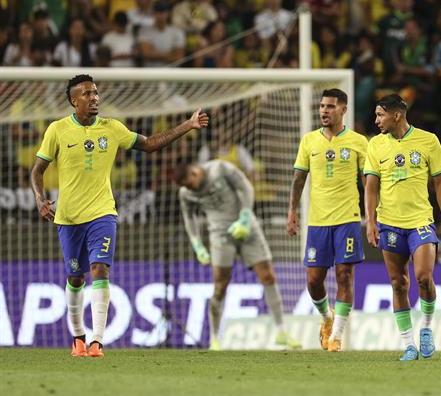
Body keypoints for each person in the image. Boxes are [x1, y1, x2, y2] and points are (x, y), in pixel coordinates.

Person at [30, 74, 209, 358]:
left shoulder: (112, 128)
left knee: (100, 269)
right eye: (87, 94)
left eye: (96, 93)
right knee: (75, 277)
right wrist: (40, 200)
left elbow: (150, 143)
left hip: (103, 212)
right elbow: (37, 171)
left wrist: (187, 125)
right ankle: (78, 337)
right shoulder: (57, 129)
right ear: (74, 101)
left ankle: (97, 342)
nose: (94, 98)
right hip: (68, 217)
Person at [363, 94, 441, 361]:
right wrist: (371, 222)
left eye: (380, 115)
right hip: (390, 223)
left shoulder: (428, 141)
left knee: (424, 277)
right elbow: (371, 187)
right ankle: (408, 344)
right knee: (398, 283)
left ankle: (426, 328)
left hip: (421, 222)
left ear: (397, 115)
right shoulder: (376, 145)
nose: (376, 120)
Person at [176, 159, 300, 351]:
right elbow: (189, 218)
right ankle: (215, 338)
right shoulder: (186, 193)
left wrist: (244, 217)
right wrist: (197, 244)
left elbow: (246, 188)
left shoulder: (220, 168)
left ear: (194, 172)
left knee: (268, 276)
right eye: (186, 187)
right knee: (220, 286)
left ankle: (282, 331)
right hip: (220, 235)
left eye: (190, 184)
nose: (190, 189)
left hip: (247, 228)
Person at [287, 89, 368, 352]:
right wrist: (292, 211)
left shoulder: (358, 142)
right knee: (313, 280)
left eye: (330, 107)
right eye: (322, 106)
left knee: (345, 276)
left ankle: (336, 335)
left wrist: (373, 215)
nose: (324, 111)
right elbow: (299, 179)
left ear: (343, 110)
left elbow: (369, 182)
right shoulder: (309, 141)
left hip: (348, 218)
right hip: (318, 221)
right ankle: (326, 318)